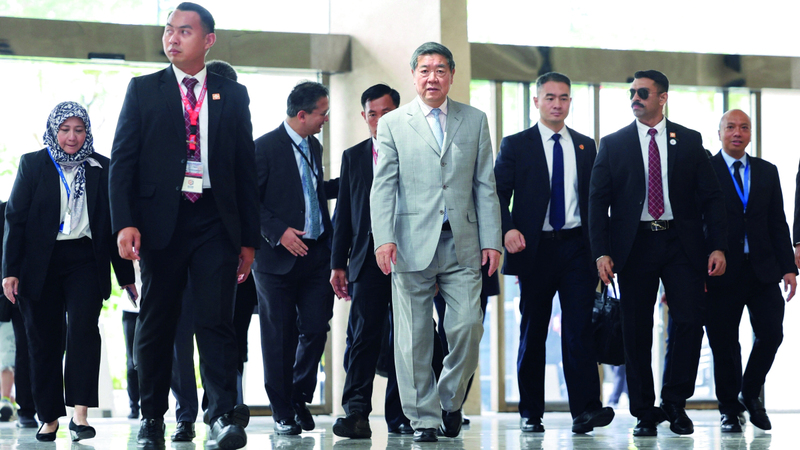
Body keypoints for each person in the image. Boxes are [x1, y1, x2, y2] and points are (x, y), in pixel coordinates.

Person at [108, 2, 259, 448]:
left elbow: (245, 170)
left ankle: (222, 416)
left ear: (208, 40)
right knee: (157, 320)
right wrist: (124, 223)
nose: (172, 38)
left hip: (215, 219)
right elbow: (123, 162)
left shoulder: (232, 94)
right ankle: (152, 417)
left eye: (184, 31)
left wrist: (249, 239)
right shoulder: (144, 89)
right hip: (161, 220)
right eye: (168, 29)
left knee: (216, 320)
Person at [369, 41, 502, 443]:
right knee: (413, 339)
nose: (432, 77)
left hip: (463, 242)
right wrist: (383, 238)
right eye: (425, 70)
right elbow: (383, 186)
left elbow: (485, 184)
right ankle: (423, 419)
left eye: (440, 70)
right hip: (410, 243)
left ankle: (449, 399)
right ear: (414, 75)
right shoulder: (393, 123)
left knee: (468, 326)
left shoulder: (474, 119)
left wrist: (492, 240)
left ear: (451, 75)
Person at [588, 70, 728, 437]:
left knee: (689, 322)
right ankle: (643, 411)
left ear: (662, 98)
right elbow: (597, 202)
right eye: (632, 93)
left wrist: (717, 245)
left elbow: (712, 198)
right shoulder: (613, 144)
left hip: (682, 244)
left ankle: (675, 402)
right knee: (636, 329)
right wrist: (601, 252)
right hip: (634, 246)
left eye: (643, 93)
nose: (635, 98)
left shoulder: (689, 140)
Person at [2, 101, 136, 442]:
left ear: (87, 132)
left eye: (79, 130)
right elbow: (15, 220)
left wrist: (126, 278)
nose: (72, 137)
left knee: (83, 331)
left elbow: (112, 226)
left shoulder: (101, 167)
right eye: (65, 130)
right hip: (39, 263)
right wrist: (9, 271)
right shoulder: (33, 164)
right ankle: (48, 417)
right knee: (43, 339)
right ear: (54, 130)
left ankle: (80, 415)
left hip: (85, 259)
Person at [494, 72, 613, 434]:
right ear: (536, 102)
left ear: (570, 102)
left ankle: (585, 410)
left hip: (577, 248)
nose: (557, 104)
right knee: (534, 332)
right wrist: (507, 229)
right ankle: (531, 412)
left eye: (563, 98)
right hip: (535, 250)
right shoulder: (516, 145)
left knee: (579, 330)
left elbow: (596, 201)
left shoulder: (586, 146)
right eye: (550, 97)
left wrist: (602, 251)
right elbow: (496, 194)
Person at [252, 81, 335, 436]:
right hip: (276, 260)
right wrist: (279, 232)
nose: (326, 119)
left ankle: (299, 395)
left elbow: (310, 192)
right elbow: (248, 203)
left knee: (316, 328)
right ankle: (282, 410)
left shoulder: (313, 146)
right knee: (279, 337)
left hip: (316, 255)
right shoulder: (263, 148)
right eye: (322, 113)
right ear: (302, 115)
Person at [705, 109, 796, 432]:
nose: (737, 133)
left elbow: (777, 222)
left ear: (750, 134)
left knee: (772, 333)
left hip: (763, 270)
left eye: (744, 127)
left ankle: (750, 391)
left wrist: (788, 268)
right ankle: (730, 410)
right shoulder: (707, 170)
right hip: (721, 270)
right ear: (719, 133)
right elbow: (697, 221)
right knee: (724, 343)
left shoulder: (767, 171)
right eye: (730, 127)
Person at [330, 83, 411, 439]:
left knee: (407, 338)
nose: (379, 121)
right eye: (372, 114)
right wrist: (338, 264)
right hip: (367, 260)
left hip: (410, 258)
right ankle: (356, 412)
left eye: (386, 113)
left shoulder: (416, 151)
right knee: (363, 336)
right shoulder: (354, 156)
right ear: (364, 117)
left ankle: (400, 415)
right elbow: (344, 215)